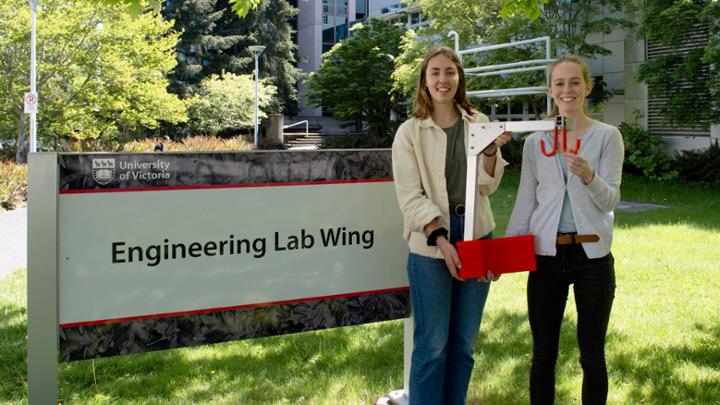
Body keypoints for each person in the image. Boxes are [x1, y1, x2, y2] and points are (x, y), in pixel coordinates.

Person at [392, 45, 511, 405]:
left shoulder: (480, 123)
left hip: (477, 235)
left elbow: (489, 186)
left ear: (459, 79)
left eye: (450, 72)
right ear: (424, 83)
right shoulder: (409, 133)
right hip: (431, 245)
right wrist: (440, 240)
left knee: (463, 344)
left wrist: (491, 152)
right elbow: (410, 196)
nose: (442, 79)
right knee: (432, 345)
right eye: (435, 73)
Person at [505, 55, 624, 405]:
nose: (567, 89)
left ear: (587, 87)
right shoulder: (535, 141)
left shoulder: (607, 137)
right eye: (559, 83)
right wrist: (507, 253)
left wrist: (589, 175)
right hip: (546, 259)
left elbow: (611, 200)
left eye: (575, 82)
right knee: (543, 357)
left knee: (592, 355)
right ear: (550, 90)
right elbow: (526, 201)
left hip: (592, 259)